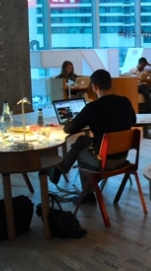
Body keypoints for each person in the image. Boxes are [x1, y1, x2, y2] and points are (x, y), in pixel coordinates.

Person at [47, 69, 137, 203]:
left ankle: (88, 195)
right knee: (82, 140)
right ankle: (60, 170)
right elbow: (133, 120)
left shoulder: (93, 108)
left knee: (81, 153)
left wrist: (73, 121)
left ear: (95, 87)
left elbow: (69, 129)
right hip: (122, 157)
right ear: (110, 84)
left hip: (104, 160)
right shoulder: (125, 101)